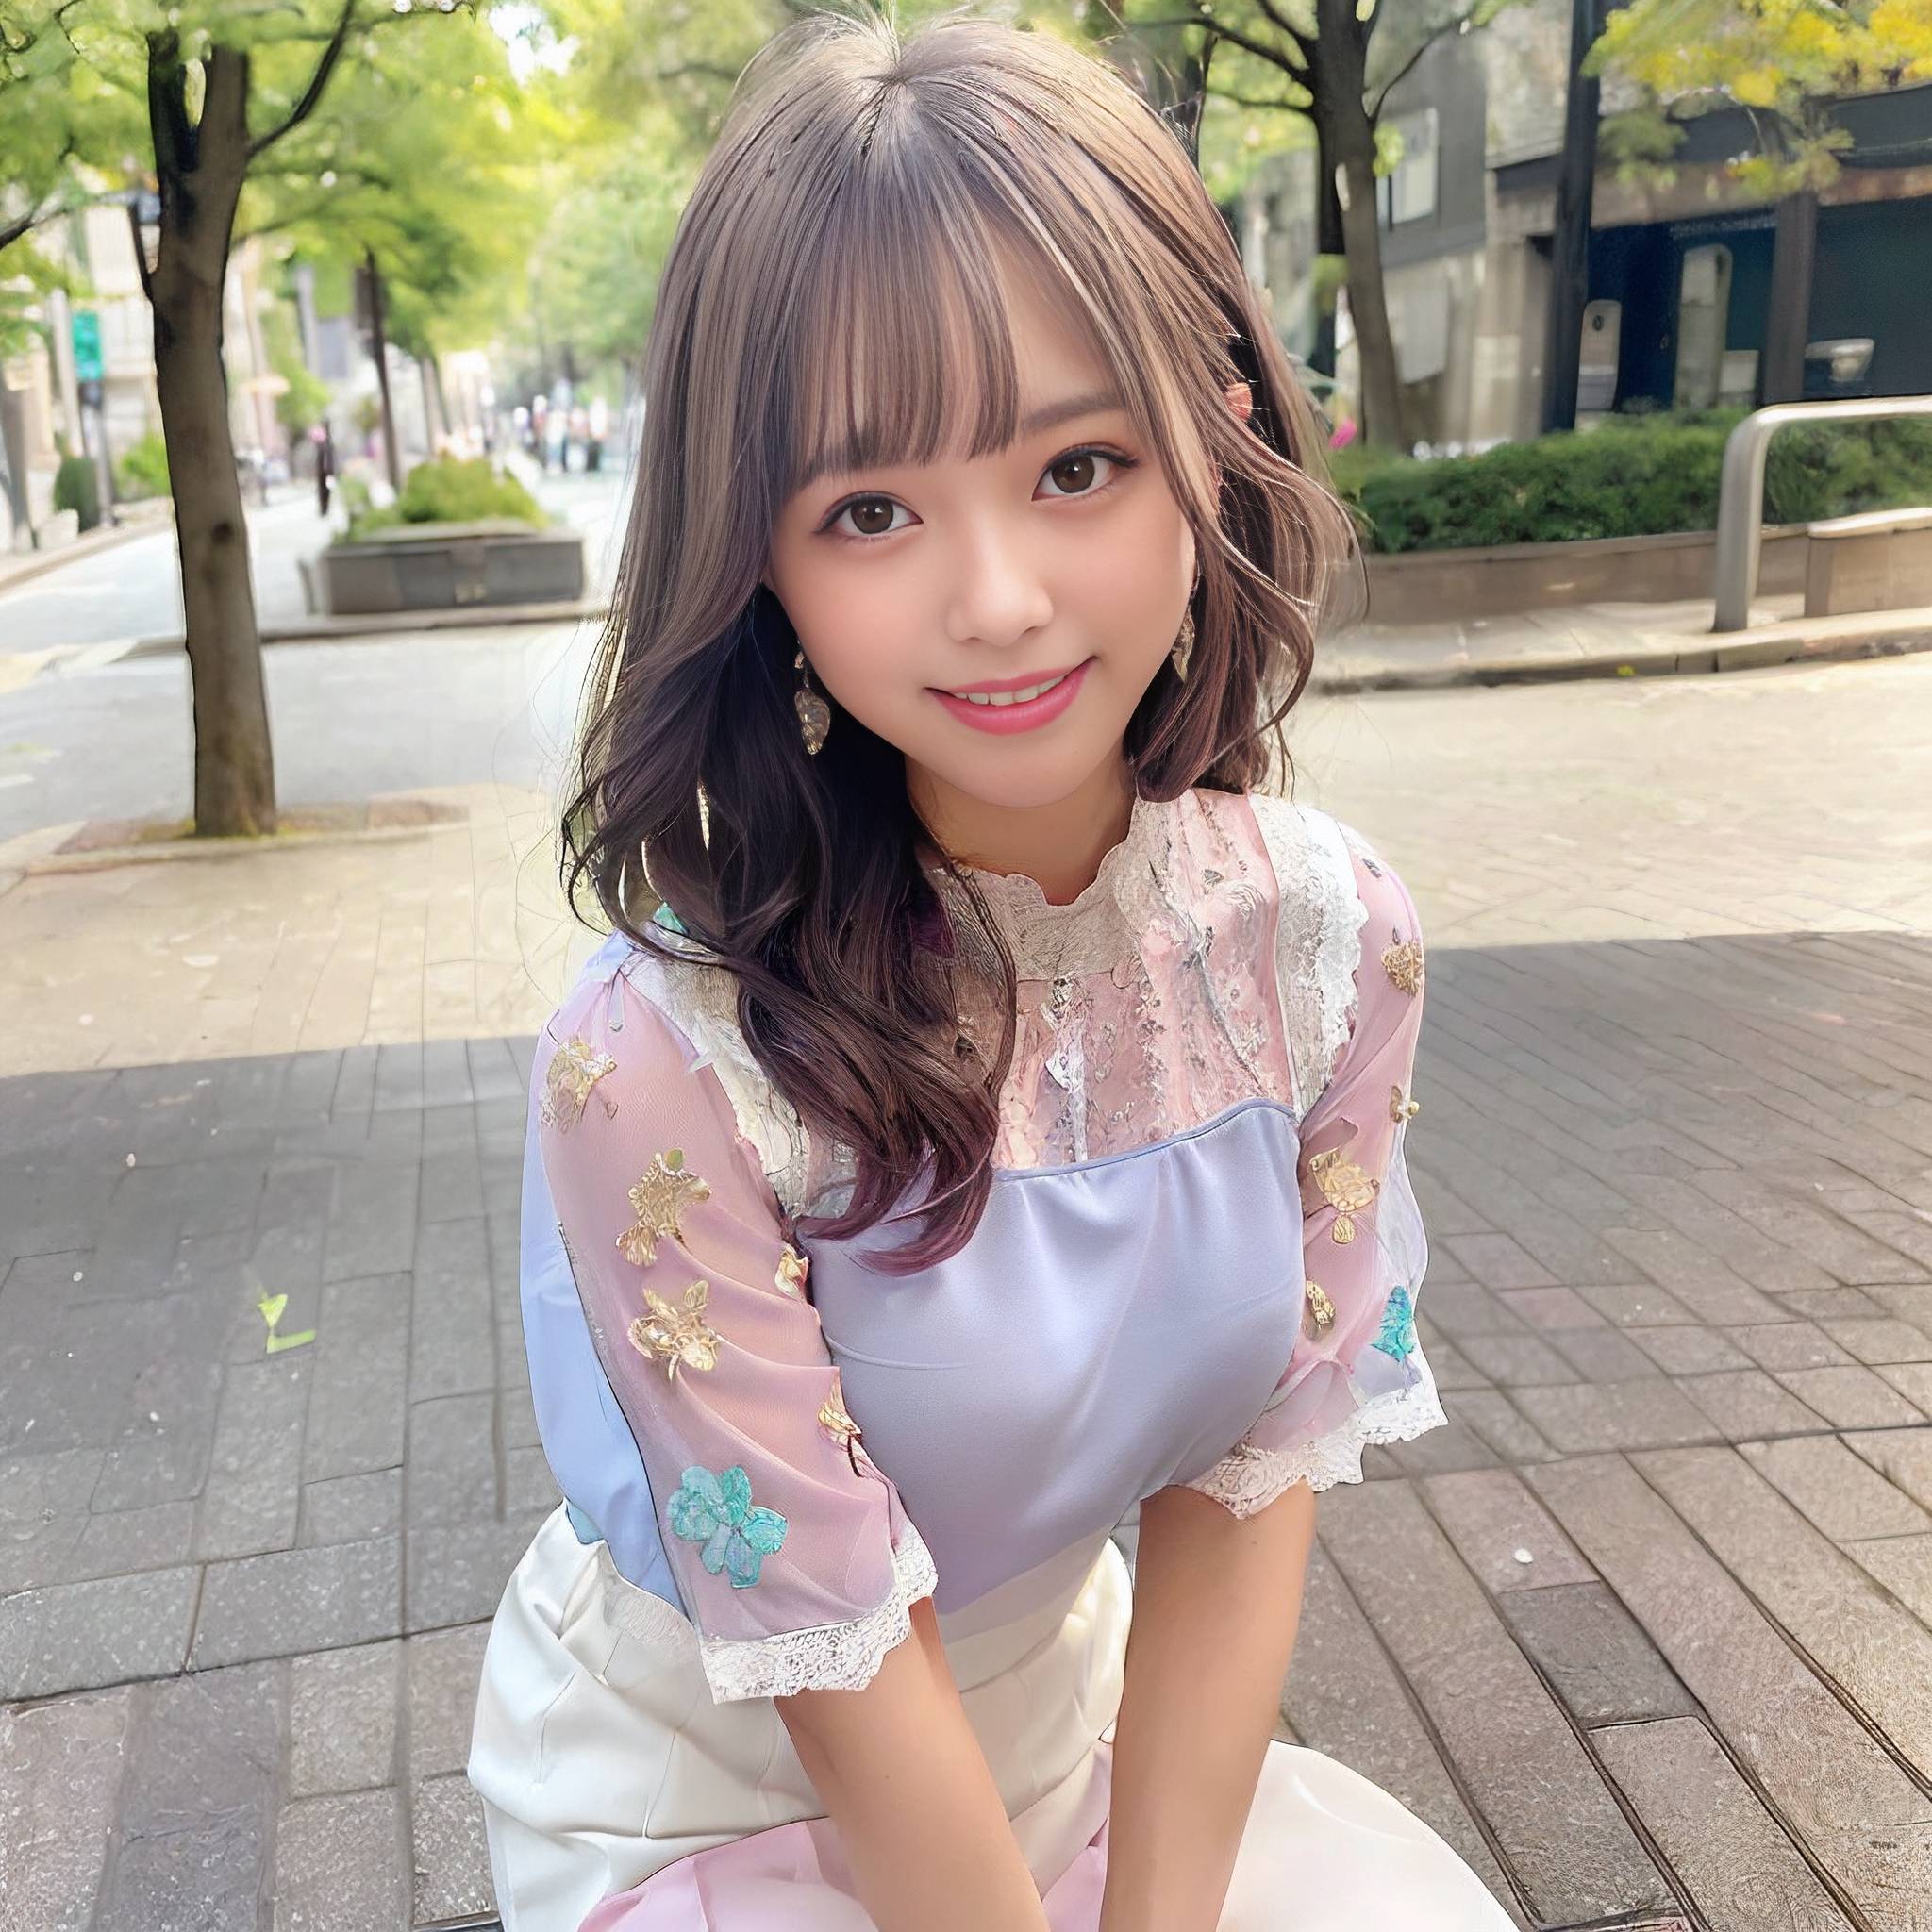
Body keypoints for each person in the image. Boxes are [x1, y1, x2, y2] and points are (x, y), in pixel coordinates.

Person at [467, 14, 1513, 1931]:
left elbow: (1238, 1496)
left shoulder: (1318, 943)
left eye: (1078, 464)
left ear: (1209, 436)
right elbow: (835, 1648)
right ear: (756, 558)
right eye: (869, 510)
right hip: (708, 1780)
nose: (1001, 597)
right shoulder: (667, 1059)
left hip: (1074, 1737)